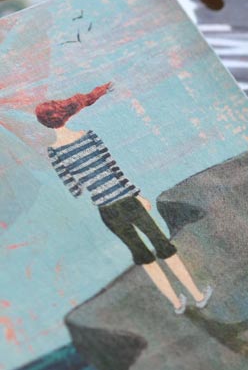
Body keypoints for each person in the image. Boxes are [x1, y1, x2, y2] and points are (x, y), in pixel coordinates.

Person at [35, 82, 212, 315]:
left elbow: (75, 189)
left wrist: (84, 177)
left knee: (141, 254)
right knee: (162, 245)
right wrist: (137, 194)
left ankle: (177, 304)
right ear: (64, 114)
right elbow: (114, 169)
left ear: (46, 124)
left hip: (106, 210)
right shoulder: (88, 136)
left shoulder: (54, 152)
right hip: (127, 200)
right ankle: (198, 296)